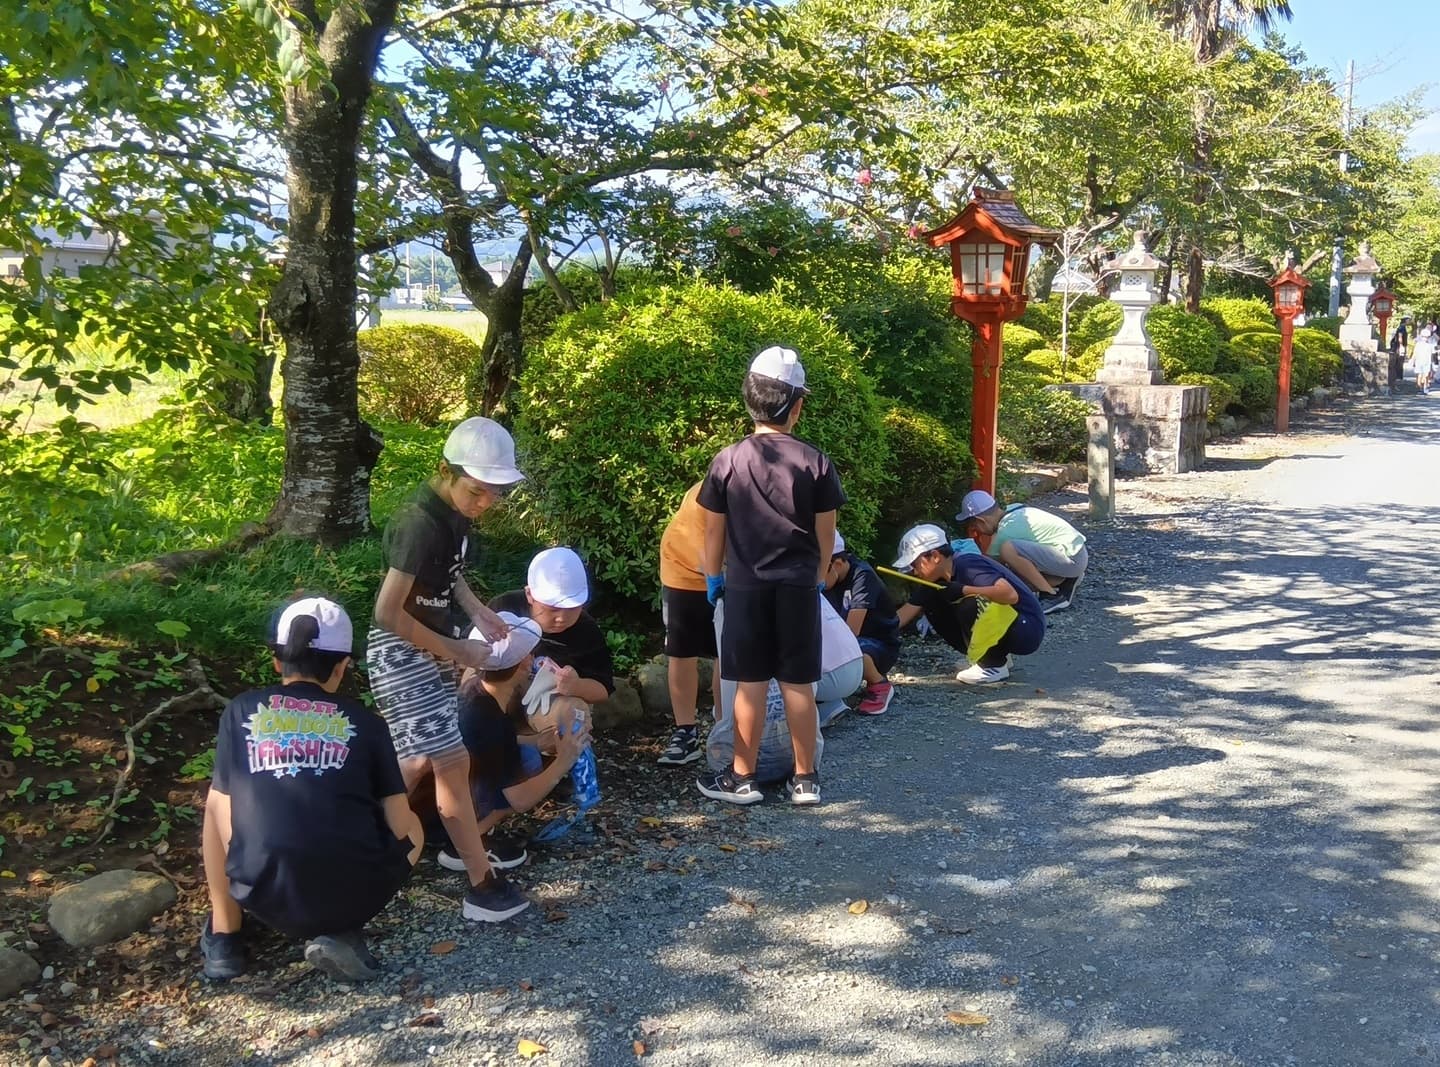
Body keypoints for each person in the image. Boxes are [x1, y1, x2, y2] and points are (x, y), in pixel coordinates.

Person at [200, 597, 423, 982]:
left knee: (218, 799)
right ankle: (341, 929)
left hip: (260, 888)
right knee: (414, 825)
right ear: (342, 667)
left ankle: (224, 935)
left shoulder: (240, 710)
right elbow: (399, 823)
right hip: (355, 894)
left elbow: (225, 809)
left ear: (277, 660)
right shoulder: (366, 723)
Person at [367, 416, 529, 923]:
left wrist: (477, 610)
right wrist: (455, 652)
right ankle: (480, 881)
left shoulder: (455, 516)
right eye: (477, 492)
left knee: (420, 761)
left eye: (494, 495)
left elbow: (449, 577)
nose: (484, 504)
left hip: (432, 647)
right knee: (452, 761)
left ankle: (361, 835)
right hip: (400, 651)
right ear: (447, 470)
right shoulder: (418, 522)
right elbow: (386, 613)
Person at [695, 345, 845, 806]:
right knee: (799, 683)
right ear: (796, 406)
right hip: (799, 587)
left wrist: (712, 578)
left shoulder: (728, 460)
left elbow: (712, 532)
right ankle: (806, 779)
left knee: (750, 685)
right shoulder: (816, 462)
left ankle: (743, 777)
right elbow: (827, 535)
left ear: (748, 399)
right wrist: (818, 576)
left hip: (745, 587)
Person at [440, 612, 595, 863]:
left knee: (528, 753)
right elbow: (520, 800)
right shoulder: (489, 720)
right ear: (523, 663)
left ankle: (468, 830)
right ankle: (466, 842)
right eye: (530, 654)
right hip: (454, 812)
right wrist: (563, 761)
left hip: (451, 790)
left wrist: (538, 742)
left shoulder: (475, 692)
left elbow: (496, 745)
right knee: (529, 765)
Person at [892, 523, 1045, 684]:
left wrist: (963, 590)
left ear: (935, 556)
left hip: (1028, 628)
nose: (914, 572)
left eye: (915, 564)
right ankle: (994, 657)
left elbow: (1010, 595)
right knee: (932, 601)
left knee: (970, 603)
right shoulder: (936, 581)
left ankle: (992, 665)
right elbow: (904, 614)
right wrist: (875, 633)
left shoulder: (968, 565)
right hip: (1013, 624)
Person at [490, 546, 616, 710]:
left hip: (545, 705)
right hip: (498, 694)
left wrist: (576, 685)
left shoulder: (586, 630)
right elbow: (470, 656)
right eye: (553, 609)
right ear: (530, 595)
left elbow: (603, 689)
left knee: (573, 711)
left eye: (572, 608)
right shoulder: (505, 608)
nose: (562, 618)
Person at [656, 482, 719, 766]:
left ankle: (725, 724)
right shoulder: (707, 495)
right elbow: (707, 552)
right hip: (683, 567)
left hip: (725, 568)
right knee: (681, 653)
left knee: (726, 651)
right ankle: (686, 733)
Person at [955, 489, 1087, 613]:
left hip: (1071, 559)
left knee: (1008, 550)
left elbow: (989, 565)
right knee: (1019, 577)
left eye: (974, 525)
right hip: (1074, 553)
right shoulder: (1014, 509)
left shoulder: (1006, 529)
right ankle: (1066, 580)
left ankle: (1051, 596)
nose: (976, 530)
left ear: (981, 520)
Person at [823, 531, 901, 715]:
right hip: (846, 640)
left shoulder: (862, 576)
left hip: (877, 643)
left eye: (818, 571)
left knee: (855, 650)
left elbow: (852, 631)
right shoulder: (828, 582)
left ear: (837, 564)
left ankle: (879, 684)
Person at [1414, 324, 1436, 396]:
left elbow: (1432, 354)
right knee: (1419, 375)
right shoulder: (1418, 344)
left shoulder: (1430, 345)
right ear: (1421, 336)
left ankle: (1424, 387)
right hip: (1419, 361)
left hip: (1427, 362)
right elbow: (1415, 353)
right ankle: (1419, 388)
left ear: (1428, 337)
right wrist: (1413, 361)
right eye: (1424, 337)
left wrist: (1432, 363)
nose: (1425, 338)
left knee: (1426, 376)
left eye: (1427, 337)